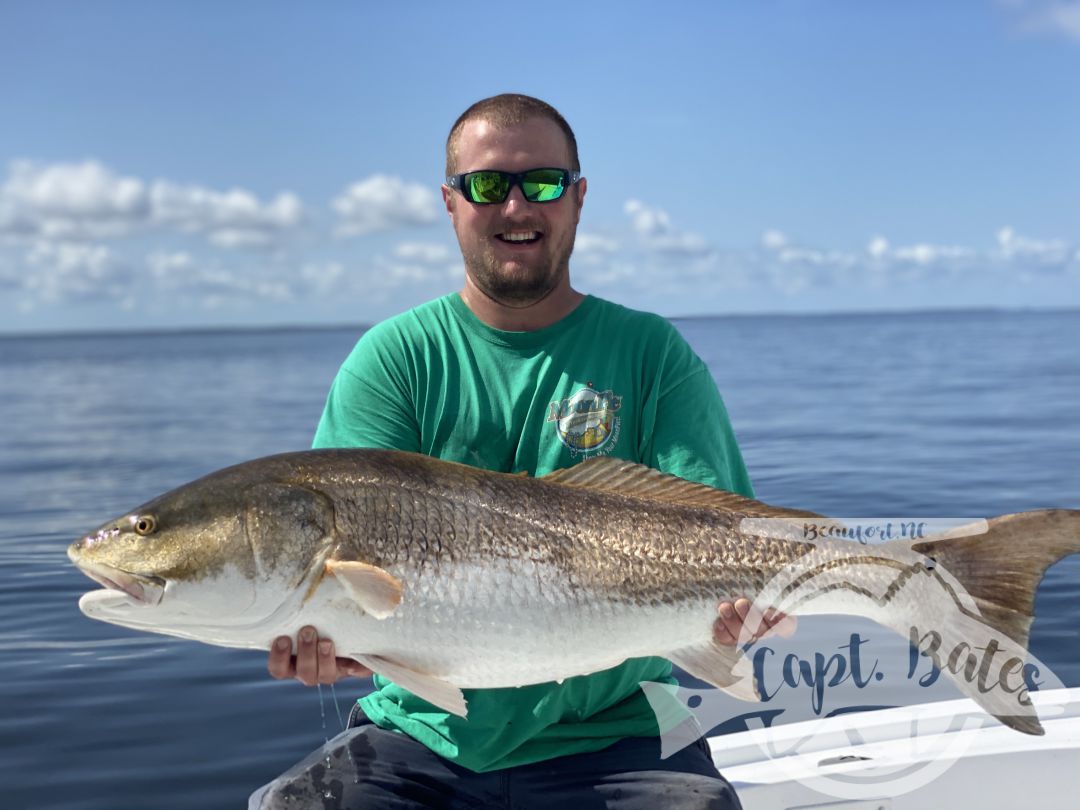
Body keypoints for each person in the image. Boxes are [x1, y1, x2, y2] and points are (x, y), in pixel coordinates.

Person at [256, 94, 791, 809]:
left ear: (578, 198)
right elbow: (344, 583)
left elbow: (729, 540)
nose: (515, 206)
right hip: (421, 735)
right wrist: (327, 642)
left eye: (542, 182)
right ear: (450, 202)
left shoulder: (651, 353)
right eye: (487, 185)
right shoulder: (395, 360)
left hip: (618, 734)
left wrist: (740, 613)